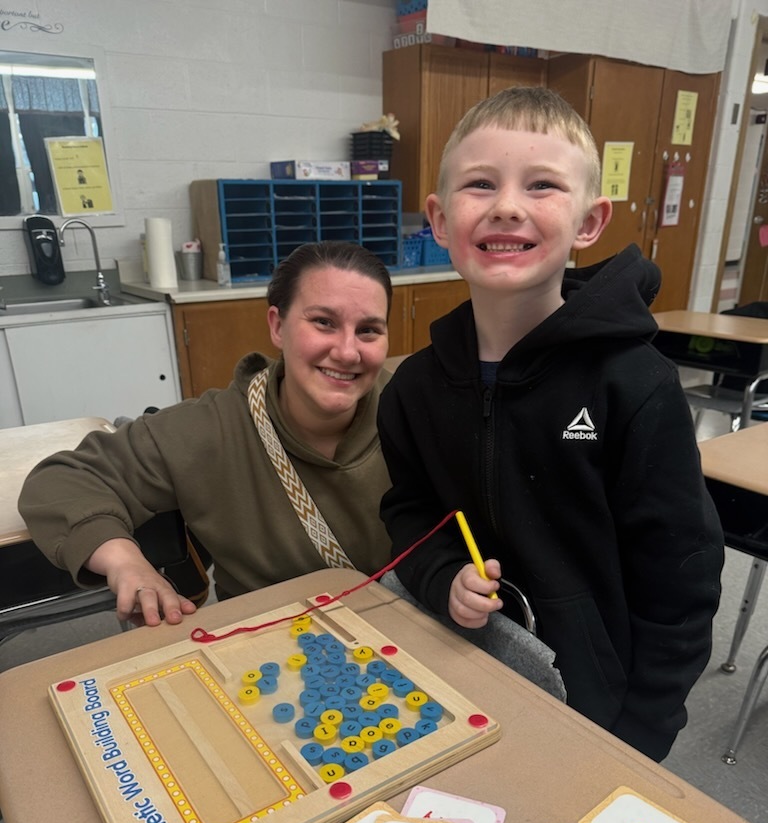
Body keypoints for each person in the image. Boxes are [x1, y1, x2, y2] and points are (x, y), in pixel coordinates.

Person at [377, 86, 724, 762]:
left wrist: (643, 733)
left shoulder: (635, 383)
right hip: (458, 675)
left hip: (595, 709)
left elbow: (679, 574)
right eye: (480, 184)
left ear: (590, 222)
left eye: (541, 185)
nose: (507, 205)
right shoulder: (413, 388)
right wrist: (442, 574)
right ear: (441, 221)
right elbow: (411, 513)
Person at [19, 241, 393, 627]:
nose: (348, 352)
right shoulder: (209, 429)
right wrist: (126, 563)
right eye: (324, 322)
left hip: (405, 628)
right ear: (278, 326)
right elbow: (61, 480)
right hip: (268, 641)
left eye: (368, 330)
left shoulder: (414, 411)